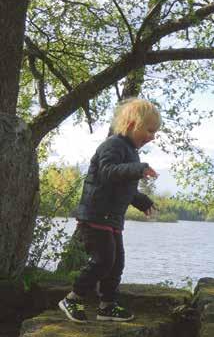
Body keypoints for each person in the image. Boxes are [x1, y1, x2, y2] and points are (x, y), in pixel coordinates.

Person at [59, 98, 161, 323]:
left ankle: (107, 305)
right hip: (95, 215)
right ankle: (73, 298)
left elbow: (123, 187)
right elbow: (108, 172)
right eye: (150, 130)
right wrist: (138, 168)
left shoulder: (131, 151)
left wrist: (142, 201)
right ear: (133, 124)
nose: (153, 136)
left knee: (116, 263)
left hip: (112, 219)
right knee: (104, 260)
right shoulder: (113, 145)